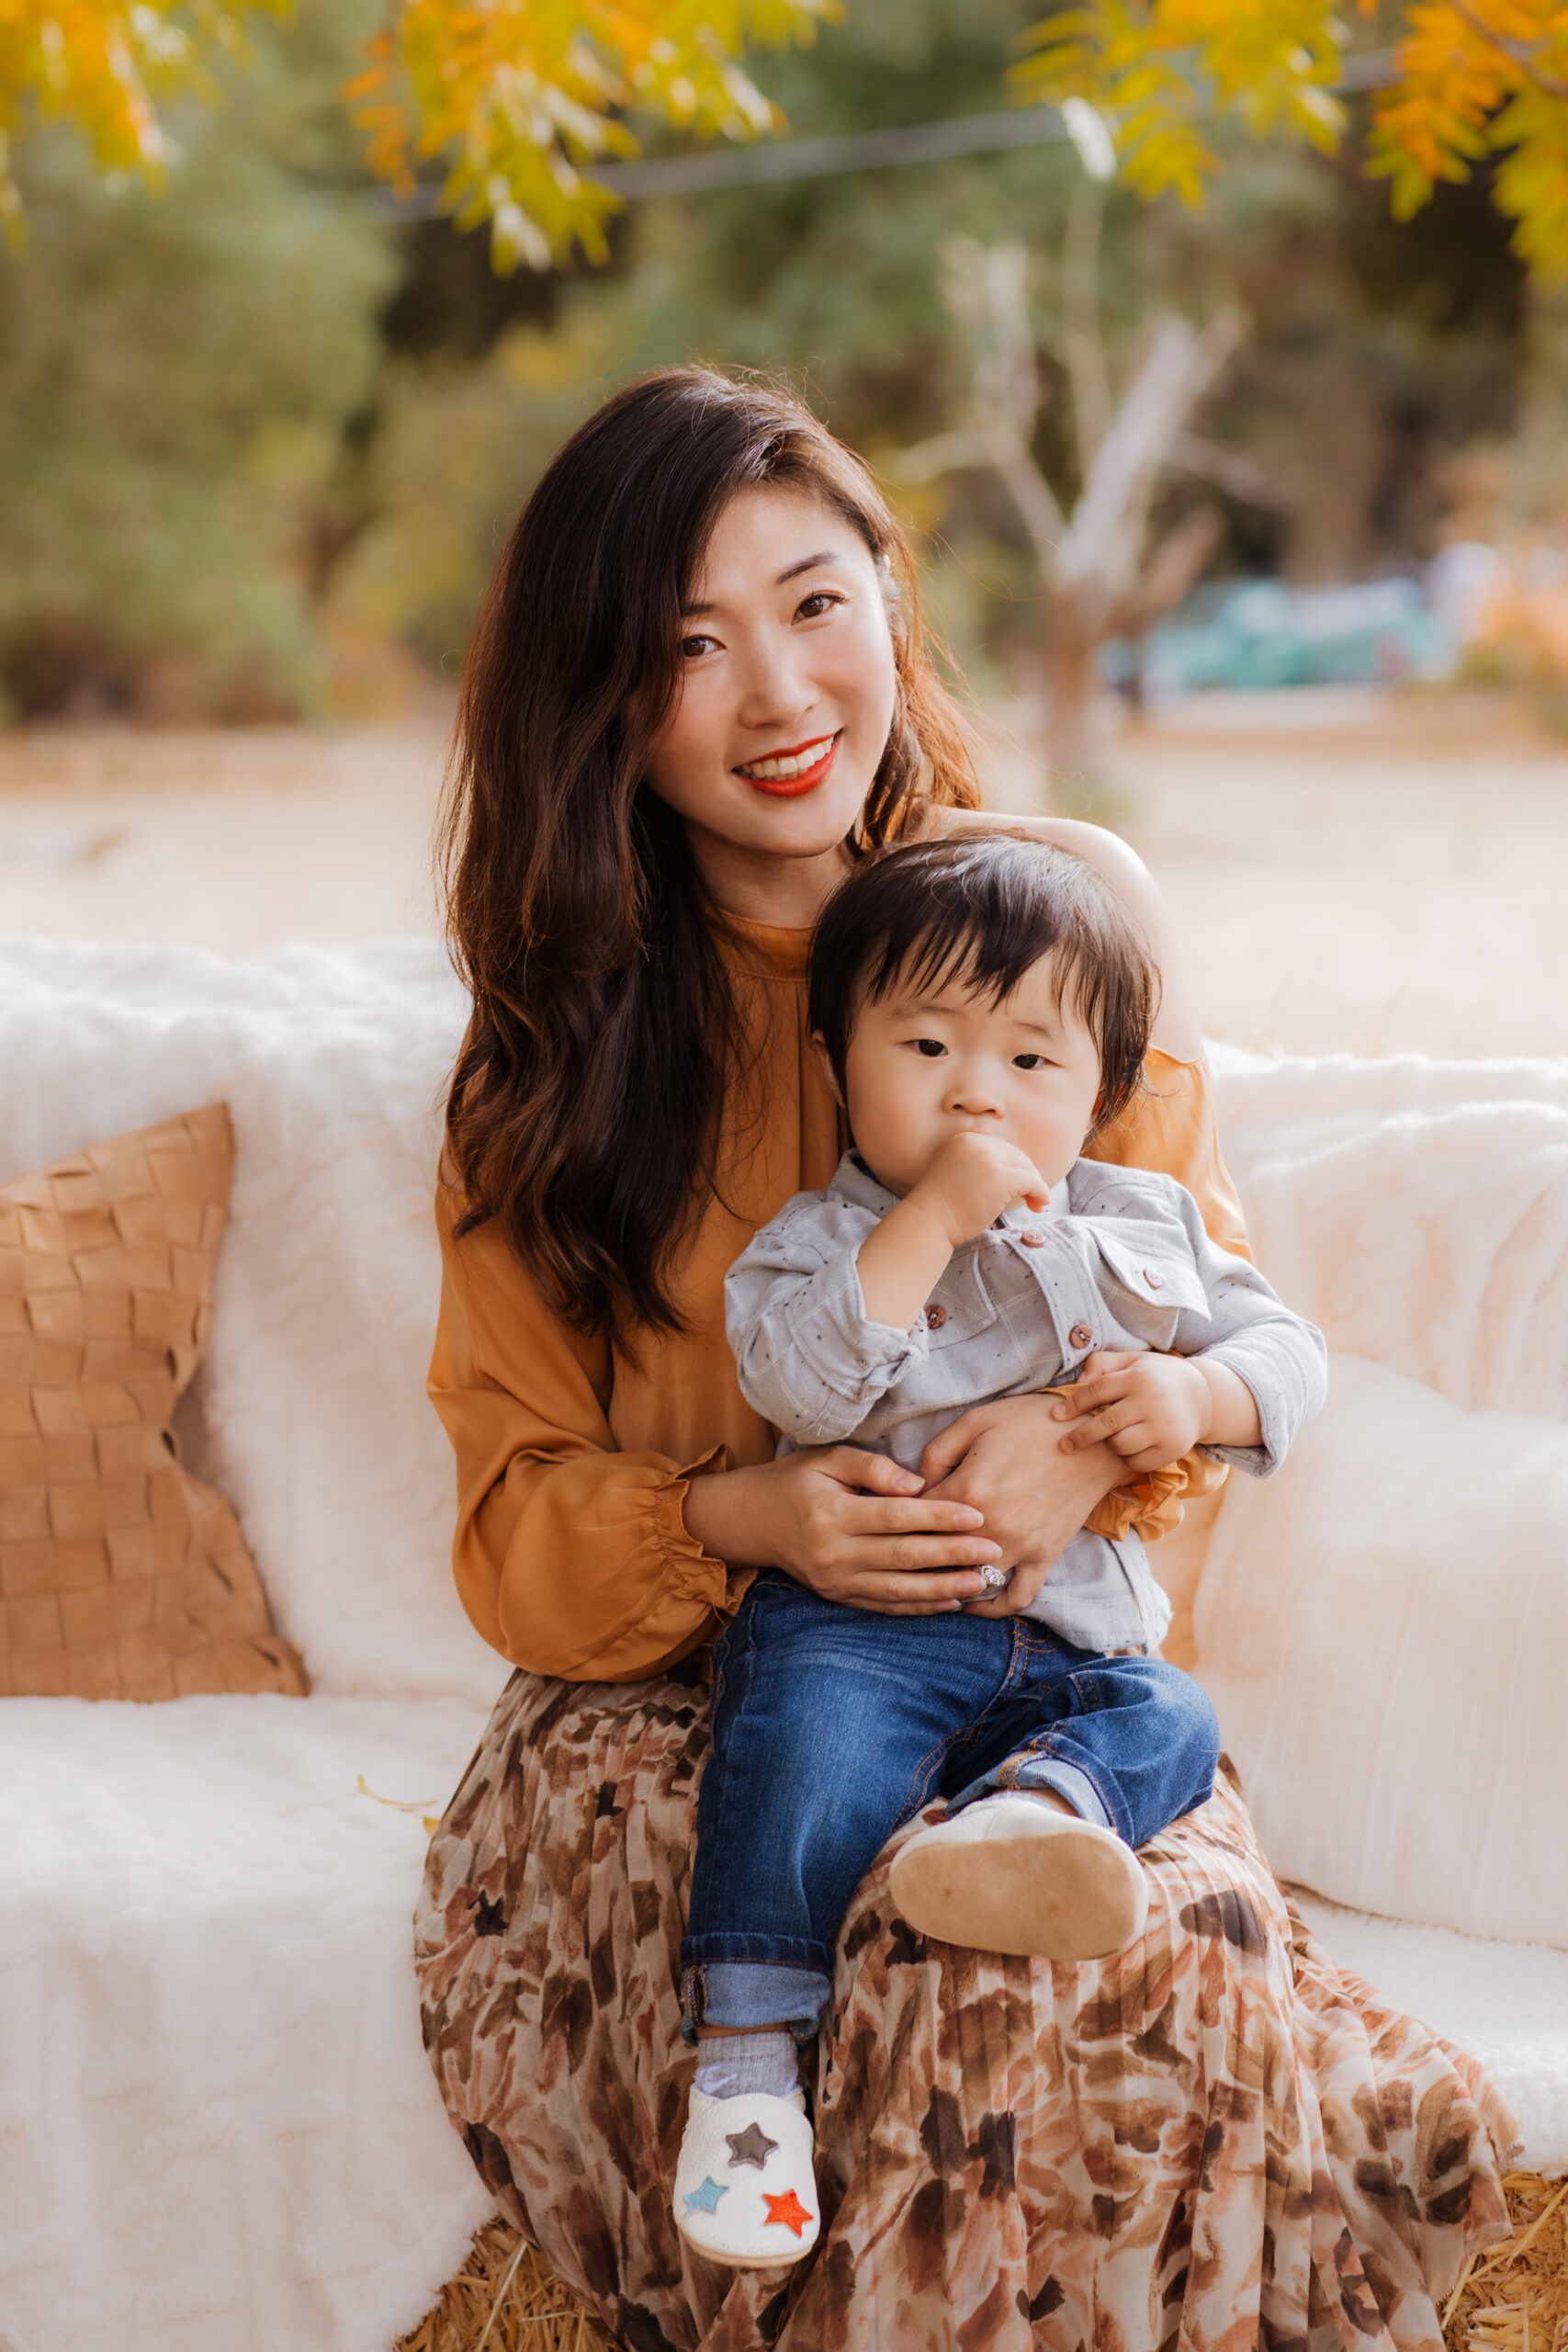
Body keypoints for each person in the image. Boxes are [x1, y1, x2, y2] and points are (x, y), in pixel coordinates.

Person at [415, 366, 1516, 2348]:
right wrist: (742, 1513)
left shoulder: (1057, 935)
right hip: (675, 1714)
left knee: (1072, 1934)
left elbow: (1201, 1320)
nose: (776, 693)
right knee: (889, 1970)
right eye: (686, 642)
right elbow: (506, 1529)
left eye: (812, 600)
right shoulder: (551, 1064)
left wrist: (1090, 1450)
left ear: (889, 599)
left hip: (1038, 1704)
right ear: (599, 696)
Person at [673, 834, 1327, 2267]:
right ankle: (746, 2071)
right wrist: (933, 1217)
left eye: (1033, 1061)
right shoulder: (817, 1244)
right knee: (793, 1762)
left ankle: (1032, 1813)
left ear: (1103, 1091)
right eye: (926, 1044)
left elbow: (1289, 1355)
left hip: (1074, 1635)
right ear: (840, 1055)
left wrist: (1193, 1396)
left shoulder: (1142, 1222)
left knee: (1174, 1714)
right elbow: (804, 1387)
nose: (978, 1089)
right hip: (866, 1629)